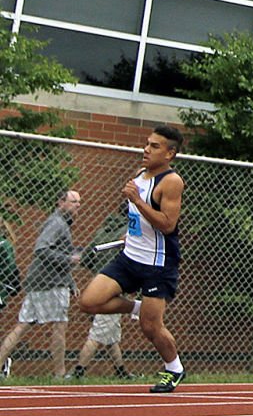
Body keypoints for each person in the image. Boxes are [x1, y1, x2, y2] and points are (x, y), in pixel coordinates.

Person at [78, 126, 187, 392]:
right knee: (89, 302)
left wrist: (138, 201)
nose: (146, 150)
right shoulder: (139, 175)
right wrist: (131, 232)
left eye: (155, 146)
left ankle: (174, 369)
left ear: (170, 153)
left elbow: (168, 225)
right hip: (129, 257)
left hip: (157, 265)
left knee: (151, 328)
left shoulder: (171, 182)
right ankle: (135, 308)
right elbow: (138, 218)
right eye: (147, 144)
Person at [0, 190, 82, 378]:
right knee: (60, 325)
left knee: (22, 325)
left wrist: (70, 281)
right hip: (49, 284)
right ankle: (60, 374)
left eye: (79, 202)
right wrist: (69, 259)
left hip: (42, 282)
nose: (77, 205)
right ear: (61, 203)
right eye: (73, 201)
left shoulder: (61, 223)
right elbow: (41, 249)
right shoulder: (57, 223)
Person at [72, 312, 134, 379]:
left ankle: (121, 371)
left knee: (112, 339)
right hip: (109, 306)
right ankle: (79, 371)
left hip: (114, 307)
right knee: (95, 337)